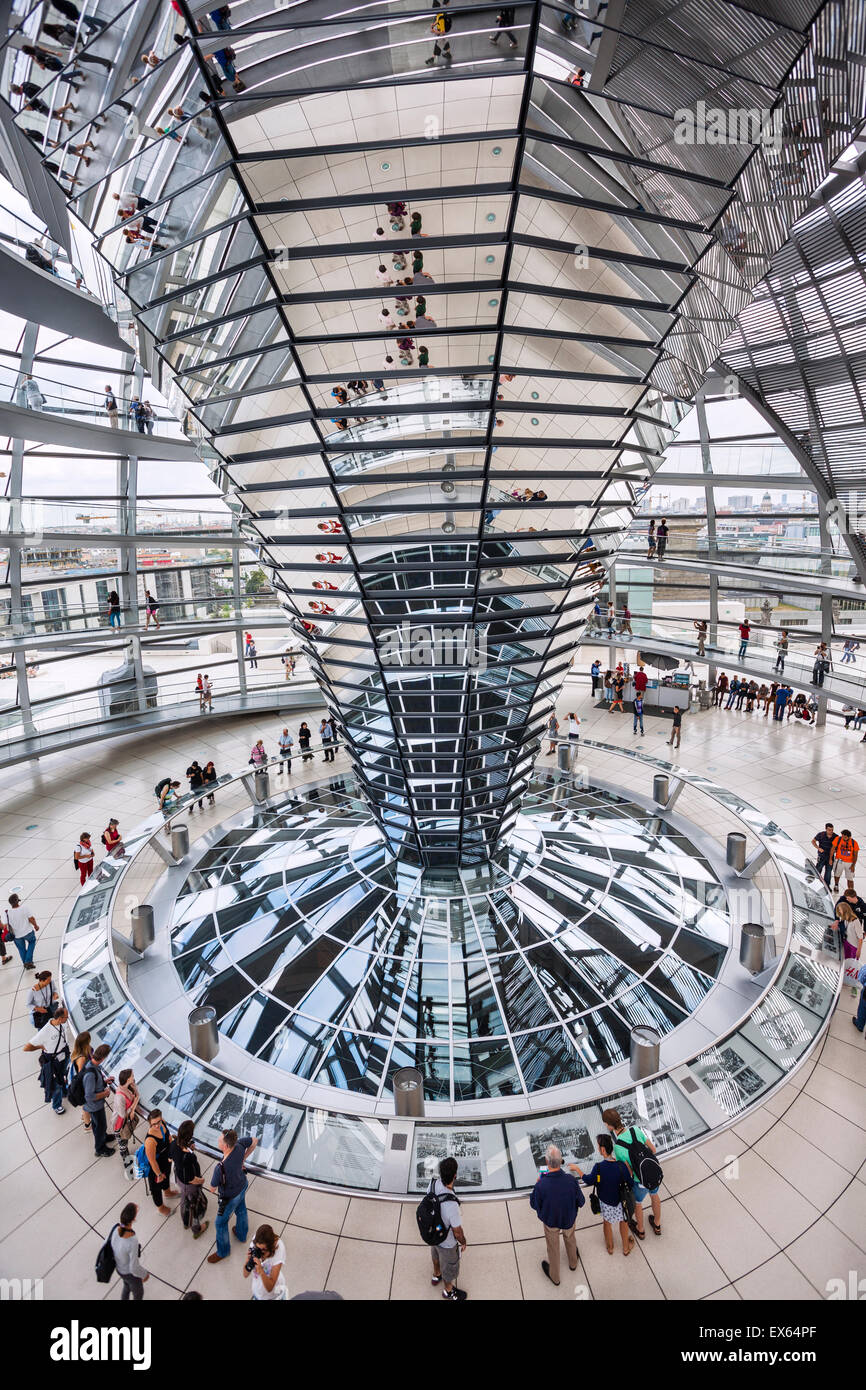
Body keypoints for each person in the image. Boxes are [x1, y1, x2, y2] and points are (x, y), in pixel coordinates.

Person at [529, 1144, 584, 1285]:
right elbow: (581, 1201)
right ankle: (573, 1263)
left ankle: (555, 1277)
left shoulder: (541, 1185)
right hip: (569, 1218)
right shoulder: (571, 1180)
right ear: (561, 1162)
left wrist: (537, 1185)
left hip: (550, 1221)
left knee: (553, 1248)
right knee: (570, 1239)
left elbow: (534, 1204)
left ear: (547, 1163)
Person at [604, 1108, 663, 1238]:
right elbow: (652, 1149)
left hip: (639, 1181)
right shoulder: (635, 1129)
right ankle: (657, 1225)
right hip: (653, 1174)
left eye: (605, 1124)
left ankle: (640, 1230)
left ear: (609, 1125)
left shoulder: (618, 1147)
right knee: (654, 1195)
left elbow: (628, 1172)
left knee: (638, 1203)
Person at [571, 1135, 634, 1255]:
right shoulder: (621, 1166)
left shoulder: (599, 1168)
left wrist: (577, 1169)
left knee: (607, 1223)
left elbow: (588, 1180)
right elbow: (630, 1183)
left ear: (603, 1150)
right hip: (621, 1202)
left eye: (598, 1146)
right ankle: (626, 1248)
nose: (598, 1148)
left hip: (605, 1203)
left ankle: (610, 1247)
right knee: (624, 1222)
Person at [207, 1129, 259, 1263]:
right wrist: (243, 1158)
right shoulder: (240, 1145)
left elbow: (212, 1189)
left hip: (230, 1196)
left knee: (220, 1223)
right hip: (242, 1186)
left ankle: (223, 1251)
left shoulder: (220, 1168)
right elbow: (254, 1141)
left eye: (219, 1140)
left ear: (225, 1146)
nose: (218, 1141)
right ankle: (242, 1235)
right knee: (241, 1210)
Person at [428, 1156, 468, 1299]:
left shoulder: (432, 1184)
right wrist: (463, 1241)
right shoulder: (452, 1205)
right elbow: (457, 1232)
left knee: (435, 1254)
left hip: (433, 1234)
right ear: (455, 1175)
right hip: (447, 1242)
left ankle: (436, 1275)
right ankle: (448, 1291)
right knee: (449, 1267)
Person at [23, 1005, 70, 1114]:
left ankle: (64, 1092)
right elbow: (26, 1047)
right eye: (66, 1017)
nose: (67, 1019)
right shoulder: (45, 1031)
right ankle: (56, 1105)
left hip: (64, 1054)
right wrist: (40, 1046)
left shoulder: (63, 1023)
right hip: (52, 1060)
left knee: (63, 1075)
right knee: (55, 1084)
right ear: (60, 1018)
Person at [170, 1120, 209, 1239]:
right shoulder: (188, 1157)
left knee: (184, 1201)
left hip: (179, 1180)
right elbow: (191, 1179)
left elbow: (170, 1159)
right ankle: (196, 1229)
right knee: (194, 1208)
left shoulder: (173, 1143)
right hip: (190, 1186)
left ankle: (186, 1222)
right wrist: (201, 1181)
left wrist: (189, 1148)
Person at [111, 1203, 150, 1301]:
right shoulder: (132, 1241)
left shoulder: (116, 1229)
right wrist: (144, 1274)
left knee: (127, 1286)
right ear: (133, 1219)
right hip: (129, 1273)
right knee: (138, 1293)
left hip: (119, 1269)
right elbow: (134, 1267)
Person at [83, 1042, 115, 1157]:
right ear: (103, 1058)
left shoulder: (93, 1066)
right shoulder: (90, 1073)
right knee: (100, 1126)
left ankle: (104, 1137)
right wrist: (105, 1093)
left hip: (95, 1105)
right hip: (94, 1106)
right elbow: (89, 1096)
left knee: (100, 1125)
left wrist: (104, 1082)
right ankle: (100, 1149)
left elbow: (94, 1084)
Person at [144, 1110, 178, 1215]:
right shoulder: (150, 1141)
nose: (157, 1125)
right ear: (150, 1123)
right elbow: (152, 1161)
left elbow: (168, 1136)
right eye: (153, 1124)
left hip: (165, 1160)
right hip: (155, 1167)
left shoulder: (162, 1122)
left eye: (158, 1122)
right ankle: (160, 1207)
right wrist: (158, 1174)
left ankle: (167, 1192)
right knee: (156, 1188)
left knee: (166, 1175)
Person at [243, 1224, 287, 1300]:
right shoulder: (256, 1244)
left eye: (263, 1250)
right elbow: (245, 1274)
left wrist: (260, 1270)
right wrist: (248, 1260)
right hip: (258, 1293)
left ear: (271, 1248)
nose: (260, 1252)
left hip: (274, 1296)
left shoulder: (279, 1249)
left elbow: (270, 1288)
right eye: (258, 1248)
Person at [111, 1067, 140, 1178]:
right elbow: (122, 1114)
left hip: (123, 1121)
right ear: (127, 1079)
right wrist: (133, 1108)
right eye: (132, 1076)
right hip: (119, 1125)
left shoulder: (128, 1088)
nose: (134, 1077)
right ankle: (128, 1167)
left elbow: (137, 1096)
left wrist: (135, 1090)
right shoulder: (119, 1096)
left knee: (124, 1142)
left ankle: (127, 1156)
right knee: (122, 1145)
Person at [5, 893, 40, 969]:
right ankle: (28, 961)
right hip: (28, 932)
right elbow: (31, 919)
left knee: (21, 949)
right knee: (32, 942)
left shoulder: (8, 913)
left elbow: (7, 926)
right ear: (18, 901)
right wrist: (36, 926)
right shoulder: (24, 908)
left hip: (16, 936)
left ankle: (26, 963)